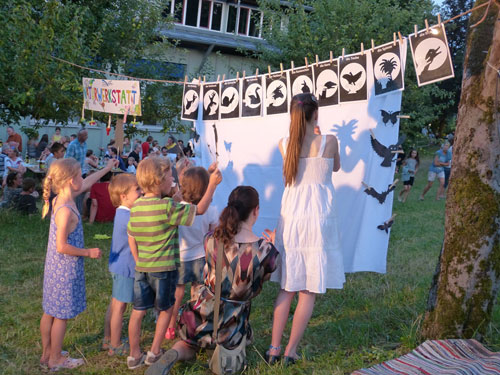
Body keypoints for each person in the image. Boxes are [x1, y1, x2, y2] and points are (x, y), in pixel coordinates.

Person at [146, 186, 279, 375]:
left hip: (202, 311)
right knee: (231, 349)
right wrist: (272, 244)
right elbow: (263, 279)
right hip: (233, 318)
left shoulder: (212, 239)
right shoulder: (266, 252)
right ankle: (222, 357)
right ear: (256, 210)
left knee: (188, 343)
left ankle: (175, 353)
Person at [268, 93, 344, 365]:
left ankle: (274, 350)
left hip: (291, 219)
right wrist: (319, 134)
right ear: (316, 115)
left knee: (287, 287)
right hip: (318, 219)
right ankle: (290, 352)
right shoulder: (330, 141)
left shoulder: (284, 144)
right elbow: (336, 167)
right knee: (307, 290)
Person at [126, 156, 222, 370]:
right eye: (170, 176)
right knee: (166, 309)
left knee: (138, 311)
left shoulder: (137, 205)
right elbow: (201, 209)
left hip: (142, 267)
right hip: (164, 268)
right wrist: (212, 186)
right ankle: (154, 351)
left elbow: (131, 234)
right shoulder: (167, 206)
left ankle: (133, 355)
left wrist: (137, 259)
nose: (174, 179)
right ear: (159, 180)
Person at [39, 157, 118, 371]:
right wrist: (88, 252)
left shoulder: (61, 197)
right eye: (79, 174)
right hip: (64, 269)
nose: (82, 178)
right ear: (69, 181)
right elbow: (62, 246)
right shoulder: (65, 209)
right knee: (61, 315)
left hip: (54, 269)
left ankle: (47, 353)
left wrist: (108, 168)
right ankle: (56, 358)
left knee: (50, 311)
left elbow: (88, 182)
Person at [165, 166, 219, 340]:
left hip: (180, 256)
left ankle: (170, 327)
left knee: (177, 293)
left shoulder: (177, 207)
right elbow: (213, 234)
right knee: (197, 292)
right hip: (201, 256)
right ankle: (193, 325)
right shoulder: (211, 209)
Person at [102, 173, 142, 356]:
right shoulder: (128, 217)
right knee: (120, 307)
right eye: (137, 190)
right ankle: (115, 345)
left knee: (115, 303)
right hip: (126, 267)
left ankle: (108, 339)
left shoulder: (122, 212)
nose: (141, 193)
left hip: (118, 265)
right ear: (124, 196)